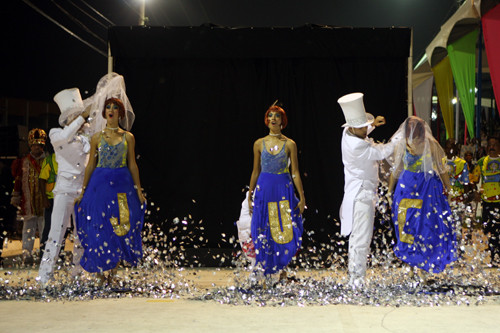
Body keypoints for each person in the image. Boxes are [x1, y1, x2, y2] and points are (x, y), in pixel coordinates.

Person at [75, 97, 146, 284]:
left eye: (115, 107)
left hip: (122, 188)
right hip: (99, 188)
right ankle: (100, 273)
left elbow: (133, 165)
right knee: (99, 226)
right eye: (108, 107)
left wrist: (138, 190)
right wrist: (83, 191)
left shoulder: (128, 137)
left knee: (120, 228)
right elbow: (91, 165)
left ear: (120, 113)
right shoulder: (97, 137)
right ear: (104, 112)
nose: (111, 110)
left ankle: (113, 273)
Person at [337, 92, 398, 288]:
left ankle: (354, 277)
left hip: (357, 193)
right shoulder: (357, 147)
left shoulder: (346, 134)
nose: (366, 130)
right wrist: (401, 138)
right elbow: (383, 151)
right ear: (352, 126)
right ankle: (357, 280)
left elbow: (361, 131)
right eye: (362, 127)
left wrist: (372, 125)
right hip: (361, 195)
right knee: (362, 238)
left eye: (366, 126)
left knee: (357, 237)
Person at [387, 116, 458, 274]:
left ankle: (422, 265)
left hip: (426, 191)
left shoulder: (431, 145)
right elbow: (395, 170)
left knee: (426, 225)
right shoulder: (402, 145)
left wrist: (450, 189)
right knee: (407, 225)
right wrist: (389, 190)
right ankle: (412, 264)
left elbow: (442, 169)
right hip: (407, 190)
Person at [38, 88, 92, 285]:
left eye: (80, 116)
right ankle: (44, 276)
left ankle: (77, 274)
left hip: (81, 191)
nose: (79, 119)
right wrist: (80, 120)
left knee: (81, 235)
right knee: (56, 233)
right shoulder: (56, 134)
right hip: (63, 190)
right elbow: (65, 136)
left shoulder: (85, 138)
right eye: (75, 116)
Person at [248, 103, 305, 278]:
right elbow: (256, 170)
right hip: (265, 189)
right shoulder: (259, 144)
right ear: (267, 120)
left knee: (283, 229)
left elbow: (295, 172)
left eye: (277, 116)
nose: (273, 118)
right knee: (264, 228)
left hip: (283, 188)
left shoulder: (290, 144)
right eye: (270, 115)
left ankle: (283, 270)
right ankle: (265, 272)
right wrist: (250, 194)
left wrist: (301, 197)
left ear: (282, 121)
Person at [10, 128, 47, 263]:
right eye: (34, 145)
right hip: (28, 200)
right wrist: (16, 195)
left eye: (39, 145)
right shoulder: (23, 161)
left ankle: (45, 253)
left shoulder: (49, 160)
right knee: (28, 229)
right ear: (30, 145)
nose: (37, 148)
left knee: (44, 228)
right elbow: (18, 180)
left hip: (44, 201)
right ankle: (27, 254)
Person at [475, 137, 500, 267]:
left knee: (498, 230)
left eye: (495, 145)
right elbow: (474, 178)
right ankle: (493, 254)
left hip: (499, 201)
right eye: (490, 145)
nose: (492, 147)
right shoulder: (481, 162)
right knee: (488, 229)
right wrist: (476, 192)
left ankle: (496, 255)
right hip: (487, 201)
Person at [38, 146, 57, 256]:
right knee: (48, 227)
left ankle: (59, 253)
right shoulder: (50, 159)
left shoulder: (68, 159)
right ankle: (43, 253)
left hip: (65, 198)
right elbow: (42, 179)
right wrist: (45, 198)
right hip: (51, 199)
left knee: (62, 229)